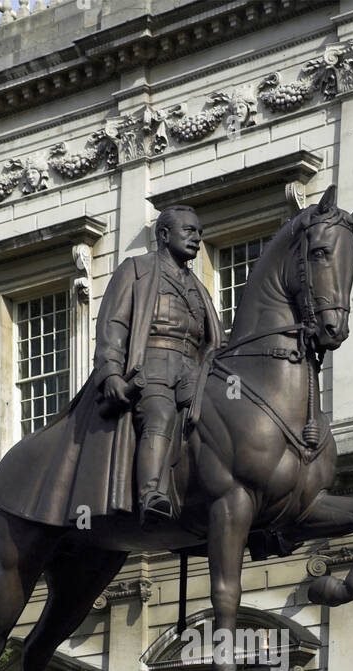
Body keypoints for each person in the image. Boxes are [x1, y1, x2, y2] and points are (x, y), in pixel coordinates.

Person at [92, 204, 222, 524]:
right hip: (152, 364)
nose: (197, 238)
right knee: (160, 413)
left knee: (220, 414)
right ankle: (152, 494)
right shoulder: (137, 269)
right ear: (164, 235)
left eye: (200, 233)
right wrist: (109, 371)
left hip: (192, 368)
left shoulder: (199, 288)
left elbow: (212, 338)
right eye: (189, 231)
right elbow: (114, 324)